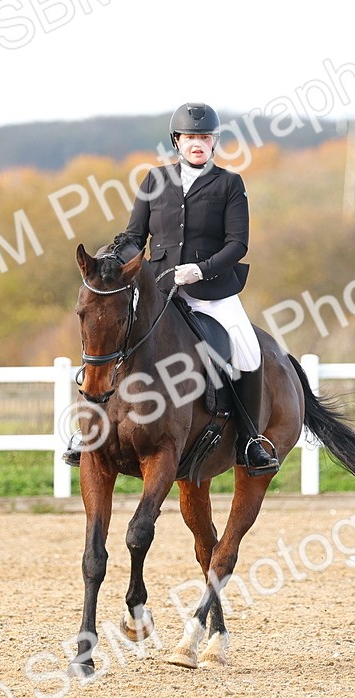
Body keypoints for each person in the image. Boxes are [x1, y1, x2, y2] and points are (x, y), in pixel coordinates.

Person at [66, 102, 279, 475]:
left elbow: (237, 244)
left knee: (248, 353)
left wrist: (201, 269)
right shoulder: (155, 180)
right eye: (190, 137)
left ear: (214, 142)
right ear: (177, 142)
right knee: (110, 340)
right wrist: (113, 257)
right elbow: (135, 236)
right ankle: (90, 434)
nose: (197, 143)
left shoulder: (229, 184)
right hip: (161, 292)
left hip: (213, 293)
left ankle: (249, 441)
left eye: (204, 137)